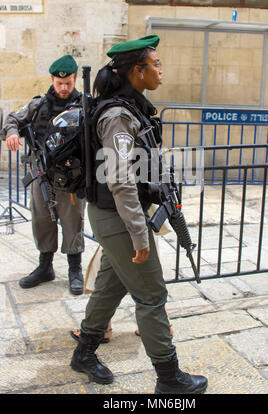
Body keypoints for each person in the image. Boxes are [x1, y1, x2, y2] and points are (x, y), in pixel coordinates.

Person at [70, 35, 208, 394]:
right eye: (155, 64)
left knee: (111, 287)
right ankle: (169, 378)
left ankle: (84, 353)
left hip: (116, 215)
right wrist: (139, 234)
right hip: (118, 218)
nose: (160, 70)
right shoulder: (118, 115)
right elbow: (119, 180)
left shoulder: (133, 110)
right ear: (136, 71)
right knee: (150, 296)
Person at [0, 55, 85, 295]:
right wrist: (12, 133)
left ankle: (74, 270)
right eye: (60, 84)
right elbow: (13, 119)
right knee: (42, 222)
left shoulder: (84, 105)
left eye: (68, 82)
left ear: (75, 79)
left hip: (72, 177)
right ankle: (45, 267)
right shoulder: (38, 105)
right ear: (52, 80)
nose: (64, 87)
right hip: (42, 175)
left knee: (73, 223)